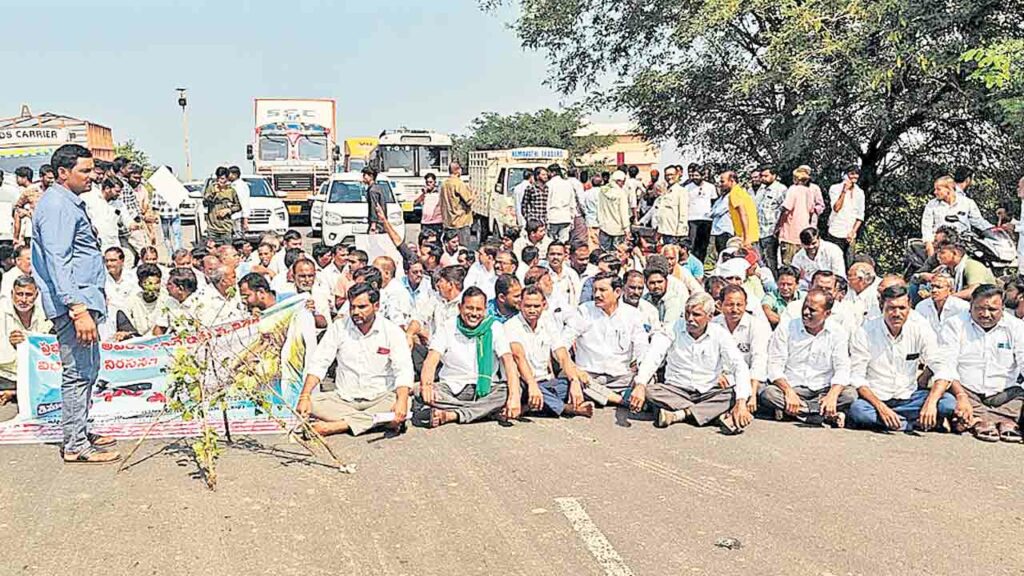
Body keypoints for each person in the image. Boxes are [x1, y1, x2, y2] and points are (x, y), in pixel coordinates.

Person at [31, 144, 119, 463]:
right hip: (74, 305)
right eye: (85, 171)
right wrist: (77, 307)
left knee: (88, 370)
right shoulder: (57, 205)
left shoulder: (68, 202)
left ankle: (79, 429)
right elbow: (58, 259)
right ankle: (75, 444)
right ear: (63, 173)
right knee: (78, 373)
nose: (92, 176)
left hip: (83, 299)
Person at [297, 282, 413, 436]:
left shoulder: (392, 331)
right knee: (312, 403)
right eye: (352, 307)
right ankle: (375, 422)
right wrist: (305, 396)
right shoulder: (339, 327)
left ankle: (338, 426)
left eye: (362, 307)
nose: (356, 312)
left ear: (376, 306)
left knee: (404, 402)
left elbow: (403, 370)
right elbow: (320, 362)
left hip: (380, 397)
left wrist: (401, 401)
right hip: (344, 399)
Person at [632, 292, 753, 432]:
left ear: (710, 316)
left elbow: (739, 365)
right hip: (675, 391)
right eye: (687, 313)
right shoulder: (672, 328)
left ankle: (680, 415)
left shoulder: (720, 334)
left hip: (708, 391)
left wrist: (741, 403)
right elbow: (653, 356)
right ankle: (712, 414)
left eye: (696, 315)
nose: (690, 319)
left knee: (733, 394)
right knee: (649, 391)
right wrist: (640, 384)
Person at [847, 285, 956, 432]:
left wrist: (930, 403)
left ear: (909, 307)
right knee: (858, 411)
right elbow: (857, 377)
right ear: (881, 306)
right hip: (877, 398)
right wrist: (881, 408)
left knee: (947, 403)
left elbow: (941, 365)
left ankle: (897, 422)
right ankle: (911, 424)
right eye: (891, 308)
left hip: (910, 397)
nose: (897, 313)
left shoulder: (920, 328)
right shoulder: (865, 332)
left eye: (902, 308)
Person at [416, 287, 521, 427]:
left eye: (479, 309)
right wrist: (426, 385)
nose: (474, 313)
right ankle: (484, 411)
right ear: (460, 308)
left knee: (510, 391)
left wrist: (514, 397)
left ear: (485, 310)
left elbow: (508, 361)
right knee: (419, 391)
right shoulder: (448, 327)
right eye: (469, 308)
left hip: (487, 389)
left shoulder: (495, 327)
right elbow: (431, 359)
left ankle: (453, 414)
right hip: (453, 388)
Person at [934, 284, 1024, 442]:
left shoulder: (1016, 327)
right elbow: (947, 365)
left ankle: (978, 420)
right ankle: (1006, 421)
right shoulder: (954, 324)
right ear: (970, 306)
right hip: (966, 392)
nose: (985, 314)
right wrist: (961, 396)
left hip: (1006, 395)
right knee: (947, 403)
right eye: (980, 308)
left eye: (992, 309)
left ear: (1003, 308)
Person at [762, 288, 856, 426]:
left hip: (823, 390)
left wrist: (832, 395)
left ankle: (798, 413)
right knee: (768, 394)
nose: (806, 312)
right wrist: (788, 391)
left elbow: (842, 368)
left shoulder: (838, 333)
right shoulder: (786, 328)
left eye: (812, 310)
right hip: (792, 387)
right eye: (804, 307)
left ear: (827, 313)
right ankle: (820, 415)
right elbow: (774, 365)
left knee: (850, 395)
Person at [563, 272, 649, 407]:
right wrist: (575, 371)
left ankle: (603, 397)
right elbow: (562, 345)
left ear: (617, 292)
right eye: (595, 290)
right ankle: (620, 400)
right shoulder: (584, 311)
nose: (597, 295)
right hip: (588, 377)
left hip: (621, 378)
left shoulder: (632, 315)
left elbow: (642, 348)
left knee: (648, 384)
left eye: (602, 290)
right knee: (564, 383)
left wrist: (640, 380)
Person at [505, 286, 593, 418]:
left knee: (579, 382)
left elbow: (562, 354)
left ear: (544, 305)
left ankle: (531, 406)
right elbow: (519, 357)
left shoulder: (547, 322)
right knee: (526, 390)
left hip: (546, 382)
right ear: (520, 305)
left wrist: (574, 380)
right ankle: (566, 408)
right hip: (525, 382)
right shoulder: (511, 326)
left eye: (536, 306)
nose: (532, 310)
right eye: (528, 306)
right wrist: (532, 385)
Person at [712, 285, 771, 414]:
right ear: (720, 305)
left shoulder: (757, 326)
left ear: (746, 305)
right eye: (730, 305)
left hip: (750, 380)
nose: (735, 309)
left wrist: (752, 394)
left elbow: (759, 360)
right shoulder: (713, 325)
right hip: (722, 380)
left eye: (739, 305)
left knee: (765, 394)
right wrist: (716, 375)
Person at [0, 277, 53, 404]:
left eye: (28, 295)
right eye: (19, 294)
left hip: (37, 378)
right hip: (5, 377)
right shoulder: (2, 312)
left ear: (36, 295)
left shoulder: (46, 314)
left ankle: (14, 393)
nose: (23, 300)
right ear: (12, 294)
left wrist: (28, 342)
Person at [920, 175, 992, 257]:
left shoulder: (967, 203)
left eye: (938, 189)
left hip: (962, 246)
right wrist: (929, 246)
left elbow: (979, 222)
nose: (935, 192)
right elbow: (926, 227)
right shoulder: (932, 205)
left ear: (949, 189)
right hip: (941, 247)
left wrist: (995, 230)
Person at [827, 166, 866, 266]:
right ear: (845, 175)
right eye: (852, 173)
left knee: (849, 263)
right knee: (834, 263)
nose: (854, 176)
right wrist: (844, 191)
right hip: (836, 231)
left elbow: (860, 215)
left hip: (850, 234)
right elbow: (836, 208)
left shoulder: (860, 193)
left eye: (856, 174)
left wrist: (853, 231)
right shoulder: (835, 188)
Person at [754, 166, 787, 275]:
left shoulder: (781, 189)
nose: (763, 178)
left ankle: (774, 279)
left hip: (771, 230)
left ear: (774, 176)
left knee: (771, 258)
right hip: (759, 229)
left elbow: (785, 210)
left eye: (766, 176)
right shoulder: (761, 189)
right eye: (762, 176)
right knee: (760, 259)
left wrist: (779, 227)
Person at [153, 267, 201, 336]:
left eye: (170, 284)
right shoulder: (169, 302)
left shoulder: (200, 303)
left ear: (180, 289)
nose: (166, 287)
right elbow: (159, 328)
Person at [440, 161, 476, 247]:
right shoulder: (459, 183)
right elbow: (469, 201)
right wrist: (473, 194)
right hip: (461, 222)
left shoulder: (444, 184)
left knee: (449, 247)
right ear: (458, 170)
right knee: (462, 248)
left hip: (448, 222)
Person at [81, 177, 122, 252]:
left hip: (113, 242)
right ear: (107, 189)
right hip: (96, 243)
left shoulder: (118, 203)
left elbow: (126, 218)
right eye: (117, 191)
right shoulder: (90, 198)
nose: (119, 194)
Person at [684, 164, 716, 263]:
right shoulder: (687, 188)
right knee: (692, 243)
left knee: (703, 244)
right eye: (693, 175)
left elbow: (714, 202)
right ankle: (690, 263)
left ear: (703, 176)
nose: (695, 178)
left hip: (706, 219)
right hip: (692, 218)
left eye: (697, 175)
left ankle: (701, 263)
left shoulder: (710, 187)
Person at [720, 170, 759, 248]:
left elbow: (743, 214)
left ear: (731, 180)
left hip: (745, 238)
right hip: (751, 235)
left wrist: (746, 238)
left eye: (722, 182)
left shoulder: (734, 193)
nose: (720, 184)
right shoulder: (741, 191)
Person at [203, 166, 241, 243]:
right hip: (212, 228)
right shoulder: (211, 189)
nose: (220, 181)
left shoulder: (231, 191)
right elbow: (205, 203)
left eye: (222, 179)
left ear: (227, 179)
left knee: (227, 248)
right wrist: (214, 193)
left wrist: (228, 210)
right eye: (218, 178)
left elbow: (238, 206)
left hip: (226, 228)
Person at [150, 168, 183, 254]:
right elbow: (155, 206)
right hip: (167, 216)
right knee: (173, 235)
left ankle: (175, 254)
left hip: (172, 215)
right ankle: (174, 254)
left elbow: (155, 205)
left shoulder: (162, 188)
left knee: (171, 236)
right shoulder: (162, 189)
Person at [598, 171, 631, 251]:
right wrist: (627, 229)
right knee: (617, 253)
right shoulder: (621, 193)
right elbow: (623, 213)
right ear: (618, 181)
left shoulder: (602, 191)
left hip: (604, 227)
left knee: (604, 253)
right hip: (618, 229)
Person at [656, 165, 689, 245]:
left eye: (671, 174)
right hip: (663, 231)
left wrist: (680, 233)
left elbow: (683, 213)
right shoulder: (665, 191)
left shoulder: (681, 191)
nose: (669, 177)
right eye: (667, 175)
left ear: (677, 175)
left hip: (674, 233)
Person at [103, 247, 138, 313]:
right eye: (106, 261)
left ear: (122, 261)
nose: (109, 264)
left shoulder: (133, 278)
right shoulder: (102, 280)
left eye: (113, 260)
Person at [546, 164, 575, 242]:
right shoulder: (568, 184)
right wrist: (572, 217)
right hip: (566, 217)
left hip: (553, 217)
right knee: (564, 241)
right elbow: (572, 203)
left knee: (551, 241)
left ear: (553, 173)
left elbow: (547, 202)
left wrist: (546, 218)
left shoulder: (549, 185)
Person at [227, 166, 250, 235]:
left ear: (235, 175)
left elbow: (244, 202)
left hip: (238, 217)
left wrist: (245, 219)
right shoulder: (231, 185)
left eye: (229, 174)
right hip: (231, 217)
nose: (227, 176)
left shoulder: (240, 186)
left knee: (238, 237)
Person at [362, 166, 386, 234]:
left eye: (364, 175)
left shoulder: (372, 190)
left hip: (377, 224)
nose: (363, 178)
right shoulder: (377, 187)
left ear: (371, 176)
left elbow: (374, 207)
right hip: (381, 223)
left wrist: (373, 225)